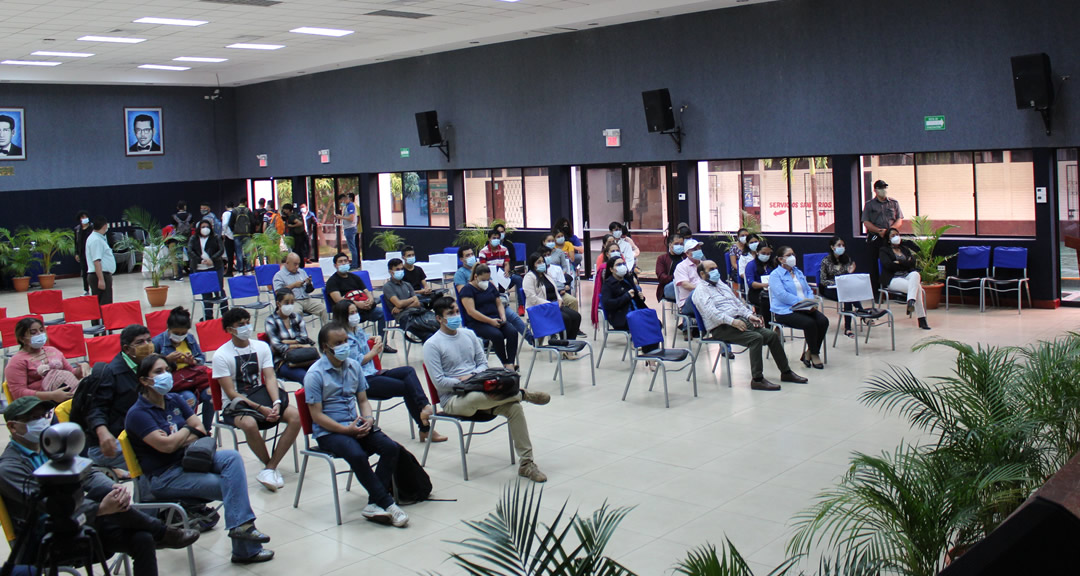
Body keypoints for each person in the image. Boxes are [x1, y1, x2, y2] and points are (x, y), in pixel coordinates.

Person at [0, 397, 199, 576]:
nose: (41, 421)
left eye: (42, 415)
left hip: (81, 521)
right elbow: (48, 505)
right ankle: (161, 531)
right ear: (13, 426)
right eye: (31, 418)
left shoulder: (51, 445)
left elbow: (88, 471)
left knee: (142, 538)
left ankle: (157, 531)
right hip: (46, 536)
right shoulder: (8, 468)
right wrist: (100, 509)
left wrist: (113, 489)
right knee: (108, 510)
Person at [125, 355, 274, 565]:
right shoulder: (138, 414)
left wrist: (179, 437)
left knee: (231, 457)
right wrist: (186, 430)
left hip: (190, 460)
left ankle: (242, 532)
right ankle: (245, 548)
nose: (165, 375)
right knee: (230, 486)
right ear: (144, 380)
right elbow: (167, 446)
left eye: (167, 370)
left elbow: (201, 430)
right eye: (158, 372)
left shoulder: (174, 400)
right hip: (166, 476)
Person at [423, 297, 550, 482]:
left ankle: (526, 464)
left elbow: (483, 364)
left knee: (514, 409)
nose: (456, 316)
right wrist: (464, 383)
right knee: (476, 398)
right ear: (439, 319)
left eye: (457, 312)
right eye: (450, 314)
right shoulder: (432, 345)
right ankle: (521, 394)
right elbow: (440, 383)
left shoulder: (469, 335)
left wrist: (471, 377)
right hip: (454, 399)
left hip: (482, 389)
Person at [303, 323, 409, 527]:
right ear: (326, 347)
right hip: (330, 431)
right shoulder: (314, 375)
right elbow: (316, 416)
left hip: (356, 424)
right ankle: (387, 504)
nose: (344, 346)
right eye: (338, 343)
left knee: (390, 448)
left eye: (345, 342)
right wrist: (345, 430)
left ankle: (373, 503)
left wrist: (368, 419)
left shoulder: (353, 366)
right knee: (357, 455)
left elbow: (362, 400)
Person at [212, 308, 302, 492]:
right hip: (236, 405)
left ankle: (270, 468)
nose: (246, 327)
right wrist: (260, 408)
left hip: (261, 396)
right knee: (250, 424)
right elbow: (230, 393)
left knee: (296, 416)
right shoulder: (221, 355)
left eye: (247, 322)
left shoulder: (261, 347)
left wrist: (276, 403)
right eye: (240, 325)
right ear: (230, 330)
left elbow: (269, 378)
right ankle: (269, 465)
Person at [331, 300, 446, 443]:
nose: (356, 315)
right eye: (351, 313)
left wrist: (376, 337)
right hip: (361, 381)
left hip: (373, 373)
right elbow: (356, 362)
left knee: (408, 371)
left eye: (356, 312)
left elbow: (366, 339)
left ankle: (424, 407)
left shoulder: (357, 330)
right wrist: (374, 352)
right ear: (343, 316)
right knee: (406, 387)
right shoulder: (340, 338)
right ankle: (425, 429)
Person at [692, 260, 808, 391]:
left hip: (740, 320)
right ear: (702, 274)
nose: (716, 272)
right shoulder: (700, 291)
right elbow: (712, 314)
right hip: (721, 327)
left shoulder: (721, 284)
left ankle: (786, 372)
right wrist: (733, 322)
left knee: (771, 335)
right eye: (711, 269)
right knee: (755, 338)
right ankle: (757, 379)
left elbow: (737, 303)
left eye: (716, 268)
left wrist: (749, 315)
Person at [85, 324, 155, 473]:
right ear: (127, 349)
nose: (147, 345)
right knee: (160, 457)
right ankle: (148, 495)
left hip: (141, 431)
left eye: (149, 340)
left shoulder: (150, 366)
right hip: (112, 441)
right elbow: (96, 409)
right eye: (140, 342)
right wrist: (103, 432)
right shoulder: (110, 373)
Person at [151, 306, 214, 430]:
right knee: (189, 399)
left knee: (211, 395)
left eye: (183, 333)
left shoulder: (189, 338)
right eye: (176, 333)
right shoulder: (157, 342)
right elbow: (151, 367)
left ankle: (205, 430)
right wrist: (166, 360)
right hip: (176, 385)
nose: (180, 336)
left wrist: (193, 361)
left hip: (193, 379)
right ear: (168, 329)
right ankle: (187, 430)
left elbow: (201, 358)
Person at [769, 246, 830, 370]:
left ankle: (809, 351)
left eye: (793, 254)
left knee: (823, 321)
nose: (793, 257)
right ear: (781, 259)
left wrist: (810, 302)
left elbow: (807, 289)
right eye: (789, 255)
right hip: (785, 311)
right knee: (810, 323)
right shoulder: (775, 275)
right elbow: (782, 295)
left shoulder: (798, 272)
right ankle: (814, 354)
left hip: (805, 307)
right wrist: (801, 303)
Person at [5, 317, 85, 401]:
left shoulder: (53, 351)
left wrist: (81, 370)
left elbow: (72, 373)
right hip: (40, 404)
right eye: (33, 332)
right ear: (22, 338)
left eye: (41, 330)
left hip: (68, 396)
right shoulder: (17, 361)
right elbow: (19, 393)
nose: (39, 334)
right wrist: (51, 396)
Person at [326, 252, 392, 348]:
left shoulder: (354, 277)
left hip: (364, 309)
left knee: (382, 313)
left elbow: (366, 291)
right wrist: (357, 304)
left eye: (345, 261)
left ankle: (382, 344)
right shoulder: (332, 281)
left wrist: (370, 300)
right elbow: (338, 300)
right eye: (340, 262)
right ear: (335, 265)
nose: (344, 263)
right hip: (346, 313)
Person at [459, 264, 519, 370]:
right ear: (476, 276)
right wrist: (490, 321)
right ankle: (506, 363)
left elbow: (499, 303)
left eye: (488, 279)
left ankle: (510, 362)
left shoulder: (490, 286)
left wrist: (503, 316)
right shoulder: (467, 290)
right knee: (497, 335)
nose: (486, 282)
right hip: (477, 322)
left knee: (512, 332)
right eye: (483, 279)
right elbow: (471, 311)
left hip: (495, 318)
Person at [523, 253, 582, 350]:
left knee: (576, 316)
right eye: (539, 262)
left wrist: (559, 300)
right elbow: (532, 298)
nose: (542, 264)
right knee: (565, 318)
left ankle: (570, 346)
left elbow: (555, 291)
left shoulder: (546, 275)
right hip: (540, 308)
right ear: (533, 264)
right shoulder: (529, 277)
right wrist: (550, 304)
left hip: (554, 306)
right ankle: (564, 349)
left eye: (542, 262)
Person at [601, 256, 657, 353]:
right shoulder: (608, 284)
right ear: (611, 269)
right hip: (621, 316)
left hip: (636, 311)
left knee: (655, 323)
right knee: (644, 325)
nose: (622, 266)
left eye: (623, 264)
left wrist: (640, 297)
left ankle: (652, 353)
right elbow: (608, 304)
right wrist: (626, 296)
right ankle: (650, 356)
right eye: (618, 265)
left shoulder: (627, 280)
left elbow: (637, 300)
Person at [879, 228, 931, 330]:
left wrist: (899, 263)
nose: (896, 237)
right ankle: (922, 319)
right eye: (893, 235)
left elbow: (912, 263)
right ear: (888, 239)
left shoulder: (904, 249)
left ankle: (911, 300)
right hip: (893, 278)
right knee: (917, 288)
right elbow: (888, 265)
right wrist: (905, 263)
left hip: (907, 276)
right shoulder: (884, 250)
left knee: (915, 274)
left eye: (897, 234)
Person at [265, 288, 319, 383]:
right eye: (286, 302)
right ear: (278, 303)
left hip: (305, 357)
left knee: (321, 374)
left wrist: (287, 342)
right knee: (306, 378)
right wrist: (300, 345)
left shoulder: (297, 317)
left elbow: (304, 338)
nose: (290, 305)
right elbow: (278, 346)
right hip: (284, 361)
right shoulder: (271, 321)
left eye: (292, 302)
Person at [819, 236, 867, 338]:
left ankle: (848, 328)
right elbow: (823, 280)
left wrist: (849, 273)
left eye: (843, 245)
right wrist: (836, 283)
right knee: (848, 296)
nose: (842, 247)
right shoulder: (826, 261)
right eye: (839, 245)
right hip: (829, 289)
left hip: (844, 289)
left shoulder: (846, 259)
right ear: (832, 247)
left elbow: (847, 278)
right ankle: (862, 314)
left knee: (847, 296)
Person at [862, 179, 904, 290]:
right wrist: (879, 231)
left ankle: (896, 289)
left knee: (894, 262)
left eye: (885, 187)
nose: (883, 190)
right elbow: (866, 222)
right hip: (876, 238)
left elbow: (899, 219)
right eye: (881, 188)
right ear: (875, 190)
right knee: (874, 265)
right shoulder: (870, 205)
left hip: (891, 238)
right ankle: (876, 292)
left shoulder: (894, 203)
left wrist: (890, 231)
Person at [188, 218, 229, 320]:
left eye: (207, 227)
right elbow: (190, 250)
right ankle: (208, 316)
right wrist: (199, 260)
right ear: (199, 228)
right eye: (203, 227)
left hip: (215, 267)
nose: (205, 229)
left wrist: (212, 259)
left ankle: (226, 315)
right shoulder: (194, 238)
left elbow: (221, 249)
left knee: (219, 291)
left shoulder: (215, 237)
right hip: (200, 268)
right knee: (206, 293)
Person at [273, 252, 328, 325]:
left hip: (306, 299)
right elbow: (278, 293)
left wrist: (309, 284)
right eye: (295, 264)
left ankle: (328, 332)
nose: (297, 266)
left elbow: (309, 291)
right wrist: (293, 285)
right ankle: (299, 333)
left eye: (298, 264)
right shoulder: (279, 275)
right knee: (296, 313)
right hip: (293, 301)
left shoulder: (301, 272)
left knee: (324, 309)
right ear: (287, 263)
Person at [673, 238, 706, 336]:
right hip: (688, 303)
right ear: (687, 253)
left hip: (706, 299)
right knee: (694, 293)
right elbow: (685, 284)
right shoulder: (681, 267)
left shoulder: (705, 264)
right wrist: (703, 289)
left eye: (699, 248)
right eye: (694, 249)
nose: (698, 251)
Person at [86, 215, 116, 321]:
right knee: (104, 305)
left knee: (101, 304)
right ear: (104, 226)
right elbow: (96, 261)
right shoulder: (96, 240)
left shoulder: (97, 238)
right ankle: (104, 330)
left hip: (100, 274)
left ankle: (104, 328)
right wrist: (101, 279)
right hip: (99, 275)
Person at [743, 243, 775, 318]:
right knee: (766, 302)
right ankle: (768, 325)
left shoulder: (772, 265)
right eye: (763, 253)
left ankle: (778, 324)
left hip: (772, 291)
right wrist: (765, 285)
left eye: (768, 254)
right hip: (756, 292)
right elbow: (751, 283)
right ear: (757, 252)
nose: (766, 256)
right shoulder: (751, 265)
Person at [656, 233, 686, 302]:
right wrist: (676, 278)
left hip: (687, 285)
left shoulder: (686, 257)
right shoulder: (662, 259)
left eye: (681, 244)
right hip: (670, 286)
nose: (679, 246)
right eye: (676, 244)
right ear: (670, 245)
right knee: (676, 284)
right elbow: (661, 277)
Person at [334, 194, 359, 269]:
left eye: (341, 201)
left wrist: (341, 217)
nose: (342, 203)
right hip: (348, 228)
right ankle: (354, 263)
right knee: (351, 247)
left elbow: (351, 218)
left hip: (350, 228)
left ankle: (354, 264)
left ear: (344, 199)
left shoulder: (351, 206)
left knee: (352, 247)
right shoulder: (347, 206)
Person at [75, 209, 94, 295]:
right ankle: (86, 290)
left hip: (91, 253)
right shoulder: (77, 229)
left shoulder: (92, 227)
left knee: (92, 271)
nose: (85, 218)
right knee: (84, 272)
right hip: (82, 253)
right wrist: (76, 253)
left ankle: (95, 288)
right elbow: (76, 242)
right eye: (83, 217)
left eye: (86, 216)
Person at [221, 201, 236, 276]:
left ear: (226, 207)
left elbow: (224, 224)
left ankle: (229, 270)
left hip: (228, 235)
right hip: (237, 235)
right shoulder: (236, 212)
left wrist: (223, 233)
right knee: (238, 253)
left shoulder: (225, 214)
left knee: (230, 255)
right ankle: (241, 269)